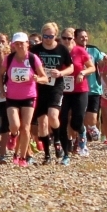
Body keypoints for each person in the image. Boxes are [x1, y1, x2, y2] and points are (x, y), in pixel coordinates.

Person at [2, 32, 46, 167]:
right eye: (17, 44)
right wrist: (1, 87)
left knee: (26, 128)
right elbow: (0, 73)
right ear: (13, 45)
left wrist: (38, 79)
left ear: (27, 44)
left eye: (22, 43)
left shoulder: (33, 59)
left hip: (29, 96)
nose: (20, 46)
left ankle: (22, 157)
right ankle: (13, 135)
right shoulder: (9, 59)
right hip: (12, 96)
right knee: (15, 125)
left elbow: (45, 77)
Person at [57, 28, 96, 164]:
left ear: (74, 39)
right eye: (64, 38)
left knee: (76, 121)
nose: (67, 41)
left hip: (80, 90)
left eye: (70, 38)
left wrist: (82, 73)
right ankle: (65, 153)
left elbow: (92, 67)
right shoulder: (58, 51)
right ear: (60, 38)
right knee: (62, 119)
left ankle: (82, 131)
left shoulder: (79, 51)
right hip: (63, 91)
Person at [33, 23, 70, 164]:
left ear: (56, 36)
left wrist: (60, 72)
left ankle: (58, 140)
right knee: (42, 122)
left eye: (51, 36)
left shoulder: (62, 49)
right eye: (45, 36)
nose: (48, 39)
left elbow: (71, 67)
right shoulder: (36, 50)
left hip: (56, 85)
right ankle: (47, 155)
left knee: (53, 116)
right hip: (40, 87)